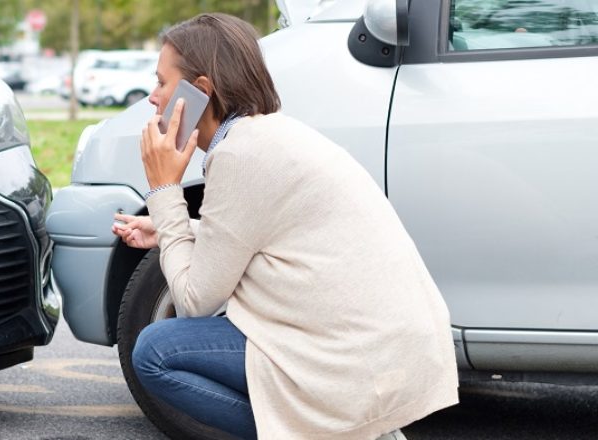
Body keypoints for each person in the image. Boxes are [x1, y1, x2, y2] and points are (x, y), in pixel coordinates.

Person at [112, 13, 458, 440]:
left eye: (161, 82)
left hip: (353, 357)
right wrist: (169, 229)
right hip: (380, 346)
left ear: (198, 92)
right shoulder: (264, 137)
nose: (151, 97)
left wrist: (164, 189)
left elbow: (194, 300)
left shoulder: (241, 156)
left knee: (155, 351)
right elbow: (263, 244)